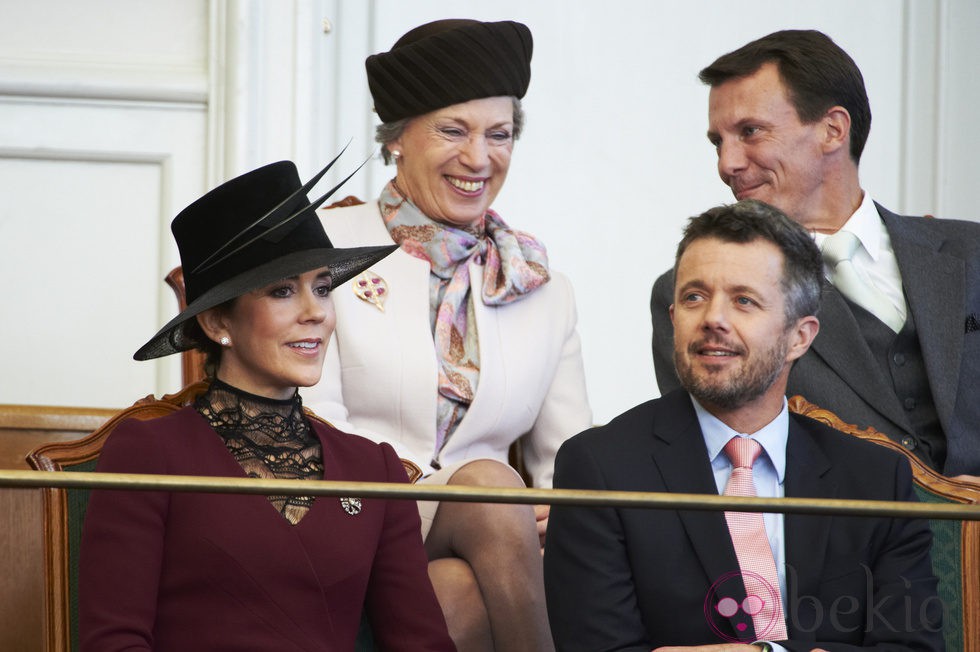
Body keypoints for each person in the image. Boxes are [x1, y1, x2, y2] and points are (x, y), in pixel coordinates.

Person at [79, 160, 455, 651]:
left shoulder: (374, 468)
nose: (316, 311)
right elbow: (114, 642)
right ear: (217, 324)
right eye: (282, 291)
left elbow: (420, 644)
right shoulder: (146, 453)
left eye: (322, 288)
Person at [304, 18, 592, 651]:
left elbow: (569, 465)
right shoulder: (321, 251)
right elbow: (310, 423)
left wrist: (551, 513)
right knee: (489, 485)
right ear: (397, 140)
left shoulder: (540, 285)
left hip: (488, 543)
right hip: (352, 515)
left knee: (460, 589)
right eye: (453, 131)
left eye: (500, 134)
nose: (478, 158)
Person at [546, 201, 942, 651]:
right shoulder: (600, 468)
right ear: (674, 319)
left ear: (800, 336)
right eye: (694, 297)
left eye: (743, 301)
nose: (713, 318)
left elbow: (912, 647)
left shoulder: (875, 480)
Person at [650, 29, 980, 480]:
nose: (727, 163)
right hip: (835, 543)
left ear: (833, 130)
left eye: (750, 132)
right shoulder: (697, 293)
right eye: (718, 142)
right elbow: (715, 461)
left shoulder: (971, 254)